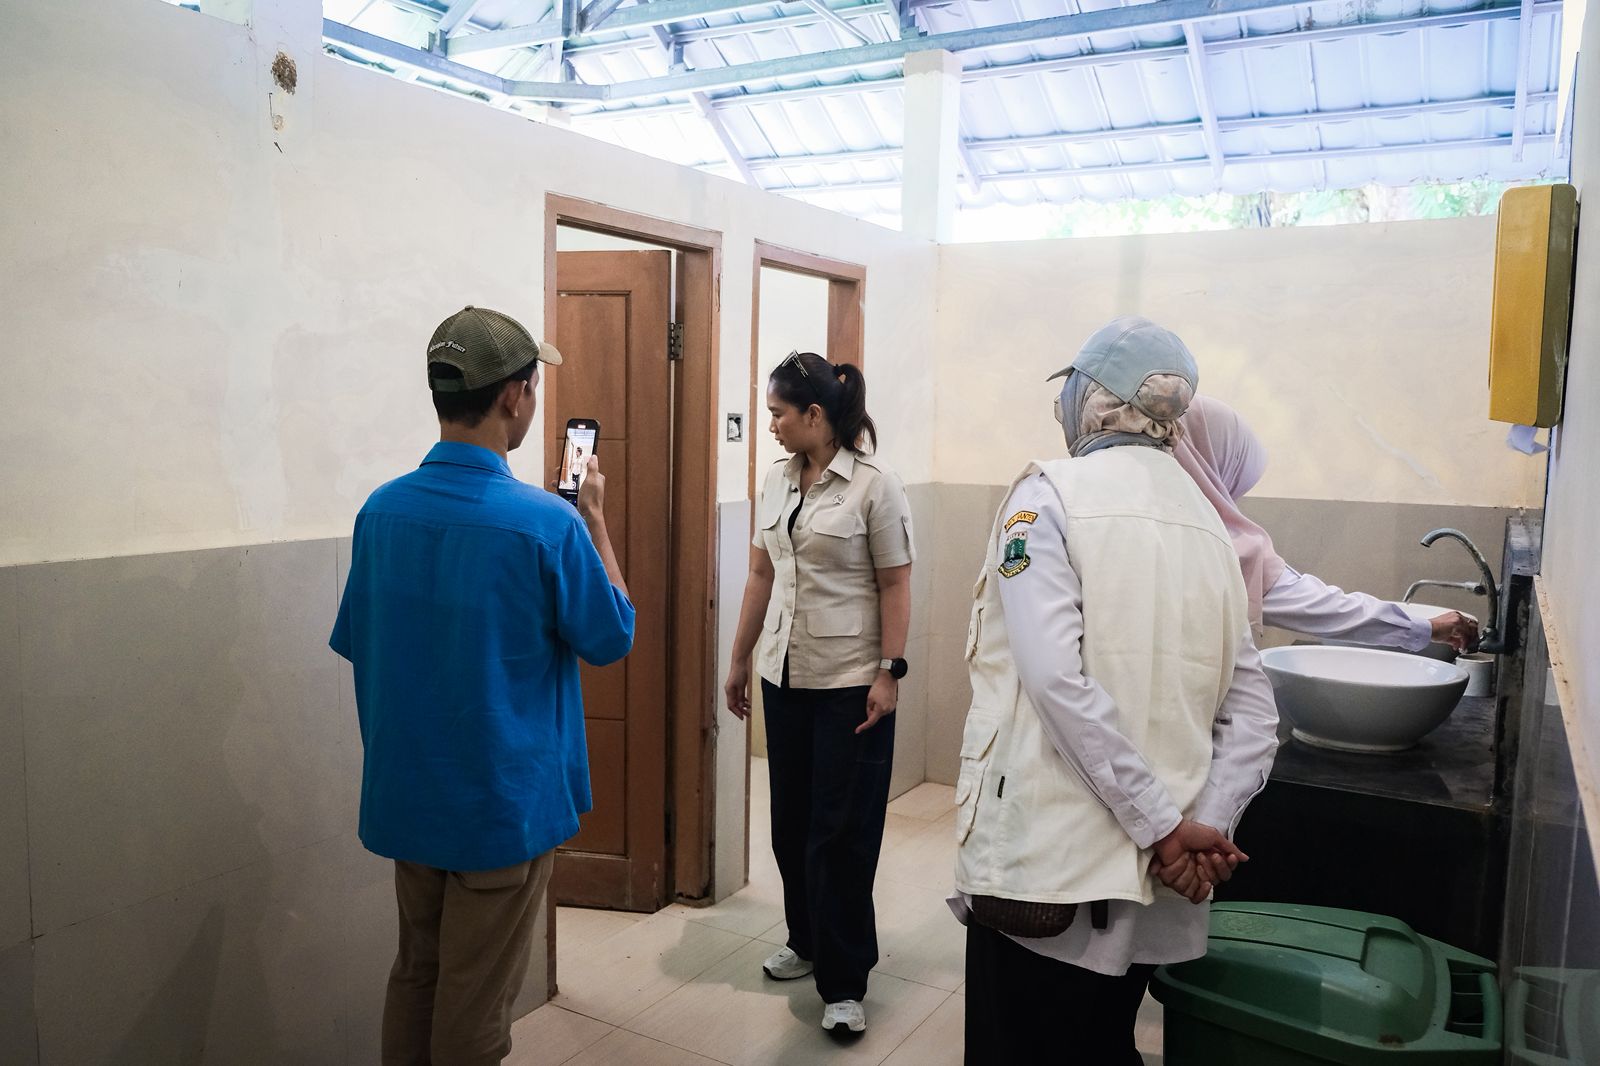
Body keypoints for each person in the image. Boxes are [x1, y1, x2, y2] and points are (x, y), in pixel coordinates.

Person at [951, 317, 1279, 1064]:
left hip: (1055, 872)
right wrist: (1203, 824)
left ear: (1093, 399)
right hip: (1161, 879)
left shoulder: (1046, 498)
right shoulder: (1209, 523)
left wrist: (1162, 828)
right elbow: (1254, 711)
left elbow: (1053, 680)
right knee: (1103, 1041)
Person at [330, 306, 635, 1066]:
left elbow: (361, 643)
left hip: (409, 796)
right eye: (532, 386)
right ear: (513, 396)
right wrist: (595, 520)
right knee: (475, 1010)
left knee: (418, 972)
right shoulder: (546, 524)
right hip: (498, 808)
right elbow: (611, 636)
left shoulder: (380, 511)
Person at [723, 350, 915, 1035]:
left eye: (778, 413)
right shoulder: (776, 481)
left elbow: (895, 583)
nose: (771, 424)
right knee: (791, 824)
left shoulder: (875, 487)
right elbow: (760, 575)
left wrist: (890, 672)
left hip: (850, 685)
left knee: (842, 834)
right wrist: (740, 658)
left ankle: (844, 982)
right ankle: (805, 940)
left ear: (814, 415)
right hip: (786, 677)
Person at [1174, 394, 1479, 652]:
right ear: (1208, 463)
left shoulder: (1160, 522)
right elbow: (1317, 607)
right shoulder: (1218, 546)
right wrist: (1427, 627)